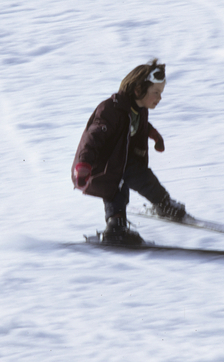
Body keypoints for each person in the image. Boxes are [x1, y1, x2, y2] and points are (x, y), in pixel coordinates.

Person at [72, 60, 186, 244]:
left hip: (123, 161)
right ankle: (115, 227)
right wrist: (83, 165)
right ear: (138, 90)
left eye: (161, 93)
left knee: (145, 177)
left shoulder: (139, 109)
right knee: (117, 189)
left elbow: (138, 125)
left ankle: (163, 204)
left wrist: (154, 135)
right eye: (156, 92)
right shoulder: (110, 110)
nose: (160, 98)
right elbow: (92, 138)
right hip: (101, 165)